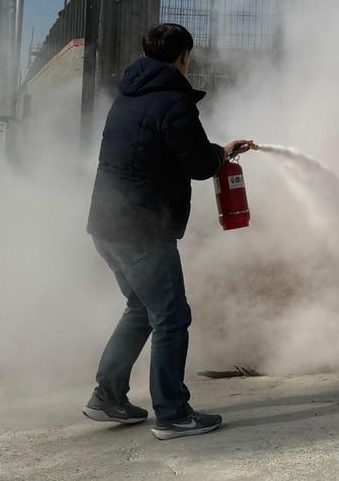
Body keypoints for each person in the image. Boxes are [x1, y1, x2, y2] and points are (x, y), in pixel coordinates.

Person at [83, 22, 255, 440]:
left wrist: (218, 152)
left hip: (106, 223)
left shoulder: (127, 95)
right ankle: (174, 414)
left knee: (142, 309)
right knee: (172, 317)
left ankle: (107, 397)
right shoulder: (174, 102)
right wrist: (218, 156)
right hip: (142, 227)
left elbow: (167, 153)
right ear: (184, 56)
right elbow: (197, 165)